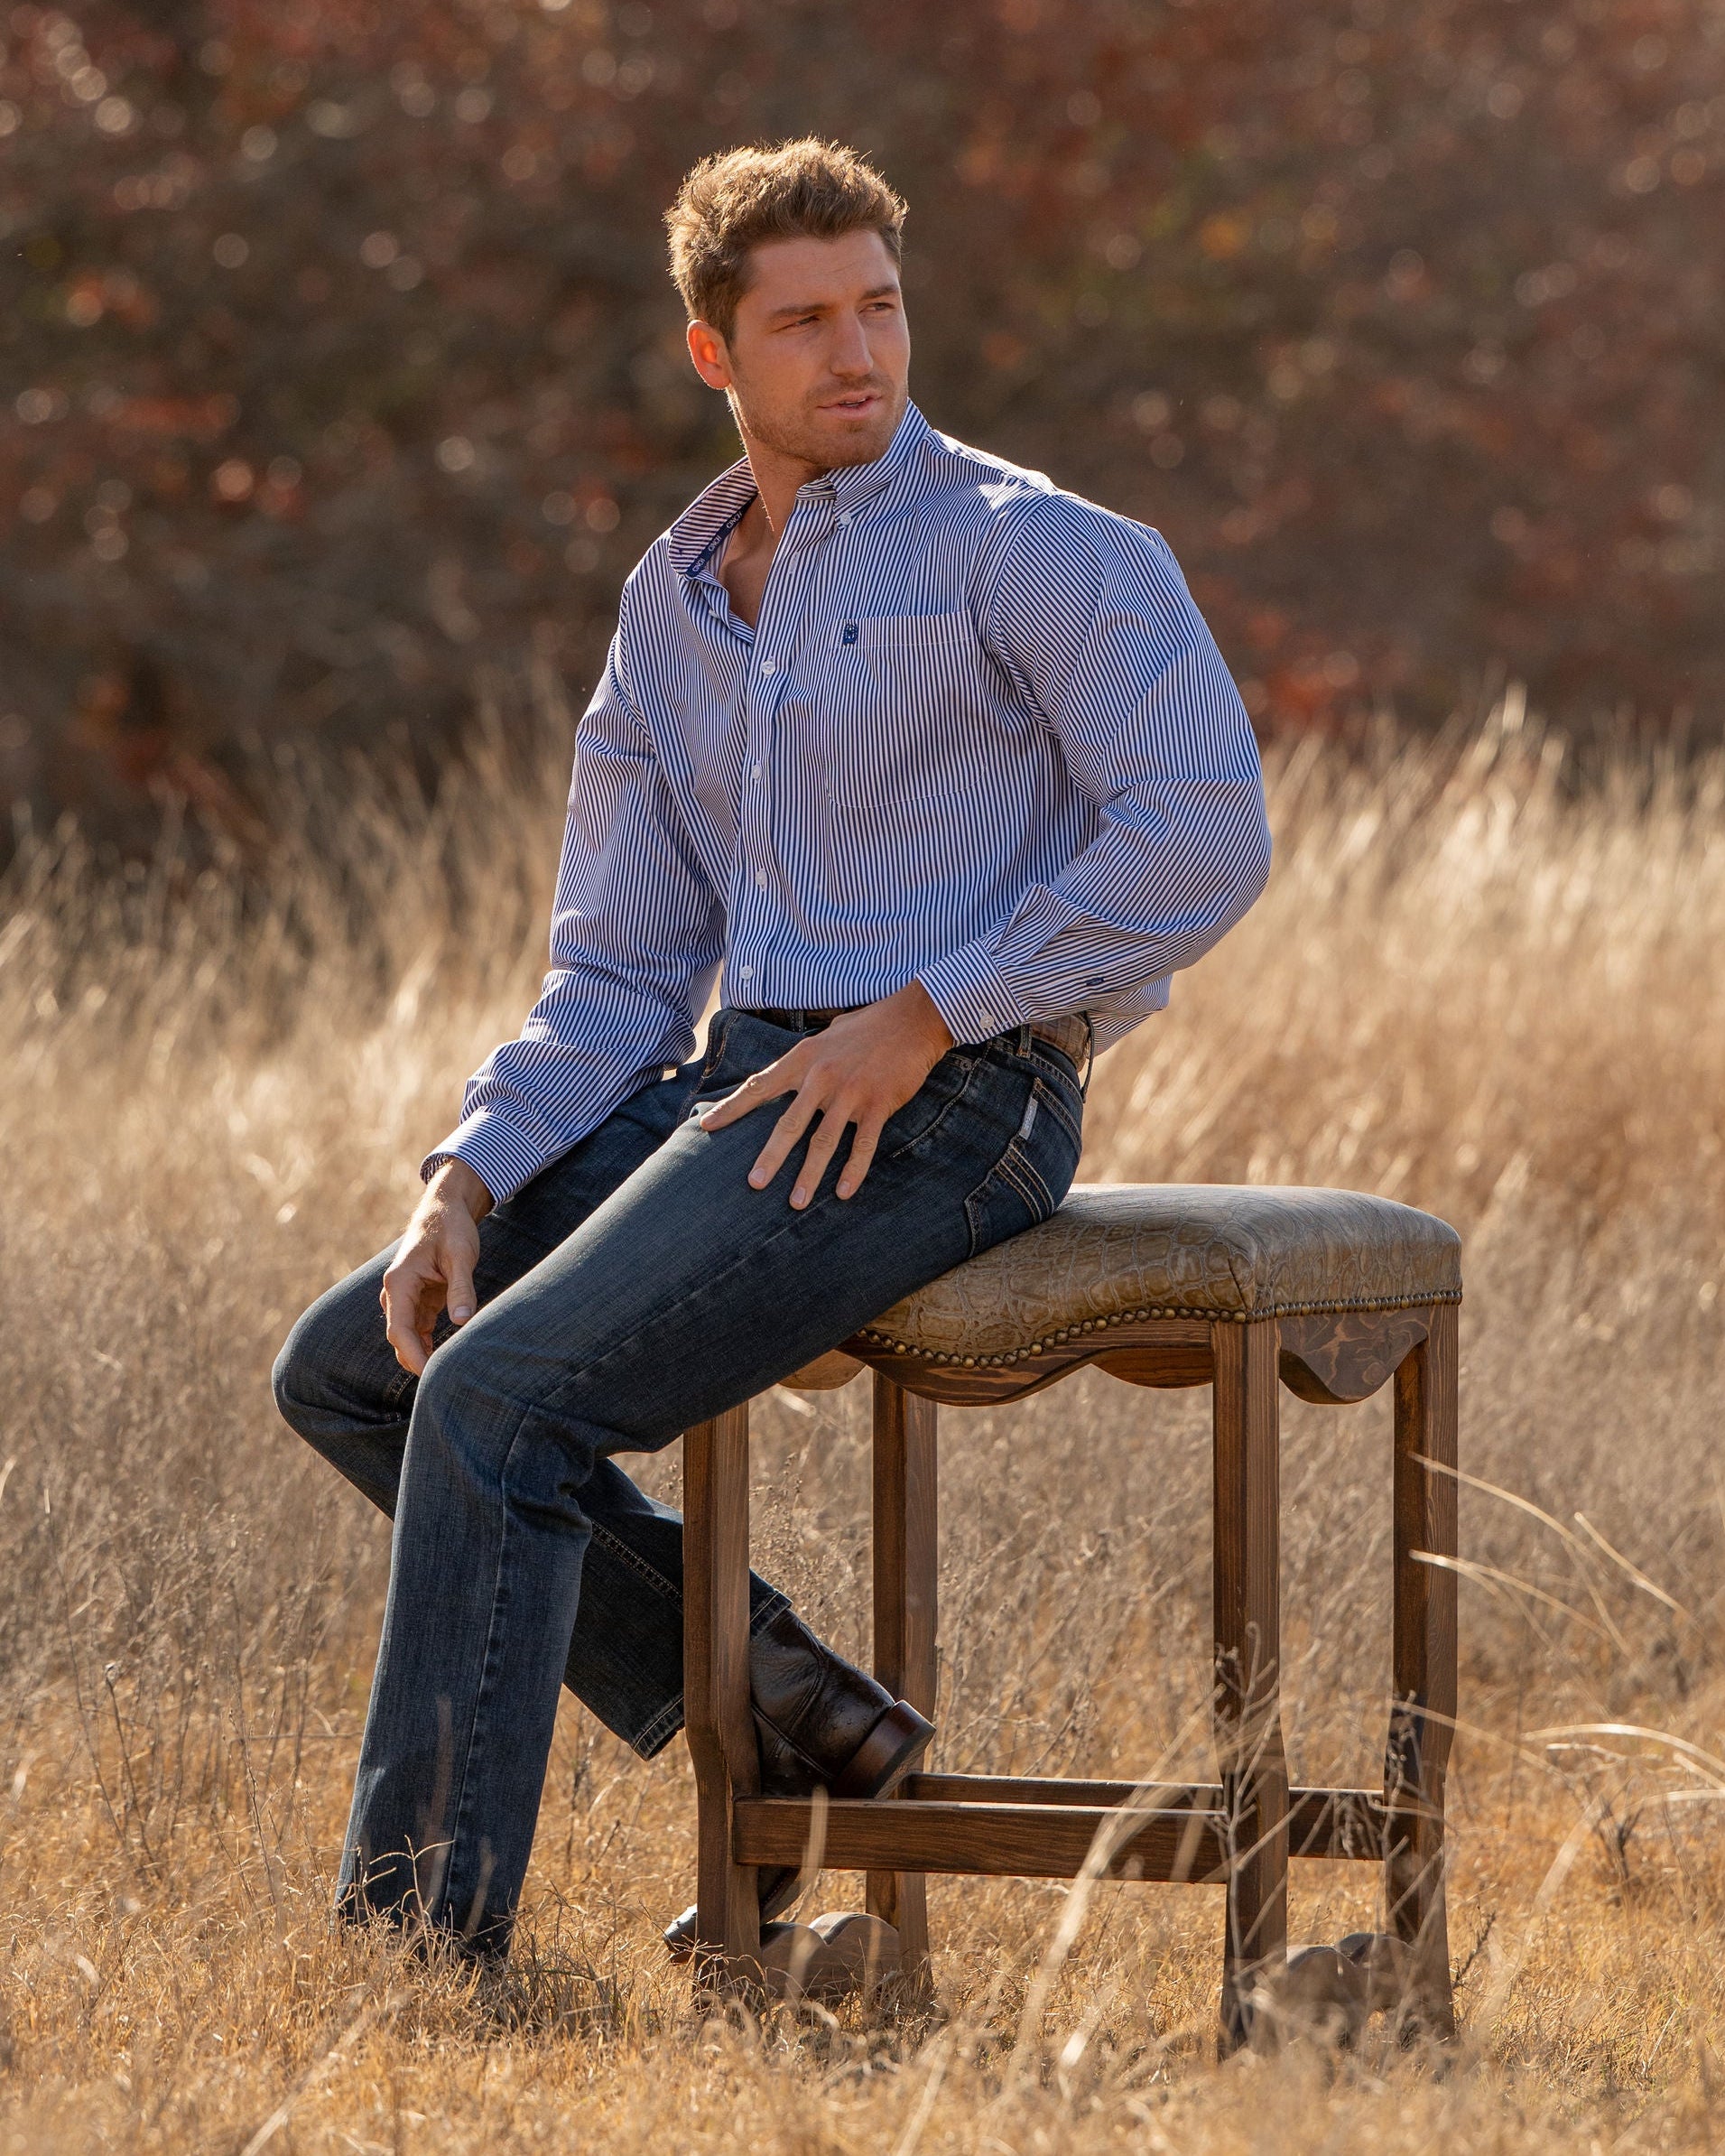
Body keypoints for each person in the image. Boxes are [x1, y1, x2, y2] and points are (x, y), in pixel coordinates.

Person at [272, 136, 1272, 1962]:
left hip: (954, 1095)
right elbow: (619, 964)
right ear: (711, 355)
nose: (857, 355)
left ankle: (414, 1957)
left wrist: (929, 1013)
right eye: (802, 322)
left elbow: (1202, 834)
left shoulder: (1024, 550)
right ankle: (792, 1696)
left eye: (878, 307)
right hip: (741, 1079)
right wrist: (466, 1174)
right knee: (359, 1364)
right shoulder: (673, 608)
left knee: (501, 1402)